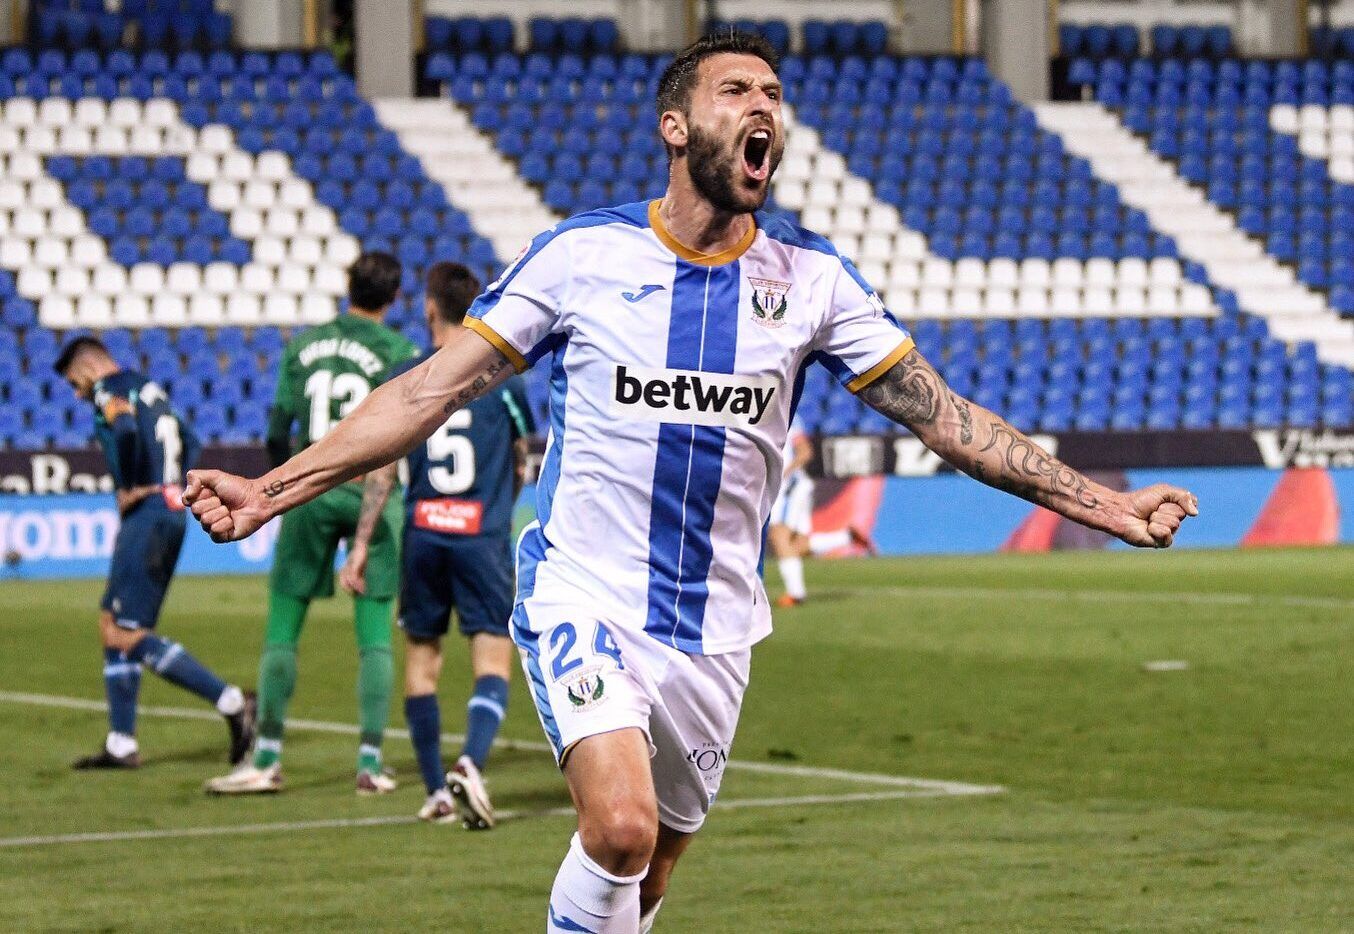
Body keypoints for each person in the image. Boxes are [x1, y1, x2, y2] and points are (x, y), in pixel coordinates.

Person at [182, 31, 1198, 932]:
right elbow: (428, 389)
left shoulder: (814, 286)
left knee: (651, 871)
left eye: (773, 94)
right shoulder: (583, 257)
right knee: (617, 830)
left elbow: (951, 421)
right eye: (736, 91)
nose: (764, 107)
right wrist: (274, 487)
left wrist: (1109, 506)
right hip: (583, 591)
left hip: (715, 626)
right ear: (675, 127)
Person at [205, 252, 419, 795]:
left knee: (284, 625)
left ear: (347, 287)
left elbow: (278, 428)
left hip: (311, 487)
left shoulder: (303, 347)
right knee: (373, 635)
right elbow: (402, 432)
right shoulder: (398, 351)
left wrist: (285, 481)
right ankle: (370, 763)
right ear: (394, 298)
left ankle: (267, 757)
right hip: (370, 486)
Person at [338, 261, 535, 827]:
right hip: (480, 537)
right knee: (492, 659)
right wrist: (496, 501)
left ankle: (436, 795)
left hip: (424, 535)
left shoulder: (409, 376)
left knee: (422, 665)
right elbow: (523, 454)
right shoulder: (500, 380)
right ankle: (470, 763)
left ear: (429, 308)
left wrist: (359, 547)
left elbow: (382, 471)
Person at [55, 337, 255, 770]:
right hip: (166, 509)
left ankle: (233, 701)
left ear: (89, 367)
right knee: (113, 619)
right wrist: (172, 485)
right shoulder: (150, 388)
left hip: (147, 514)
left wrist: (131, 485)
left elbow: (125, 431)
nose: (77, 393)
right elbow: (192, 441)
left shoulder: (110, 391)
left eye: (75, 382)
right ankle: (121, 743)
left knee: (125, 635)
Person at [767, 415, 874, 607]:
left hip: (789, 487)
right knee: (797, 546)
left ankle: (795, 594)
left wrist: (783, 475)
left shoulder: (785, 415)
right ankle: (846, 537)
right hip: (789, 487)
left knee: (778, 535)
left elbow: (805, 452)